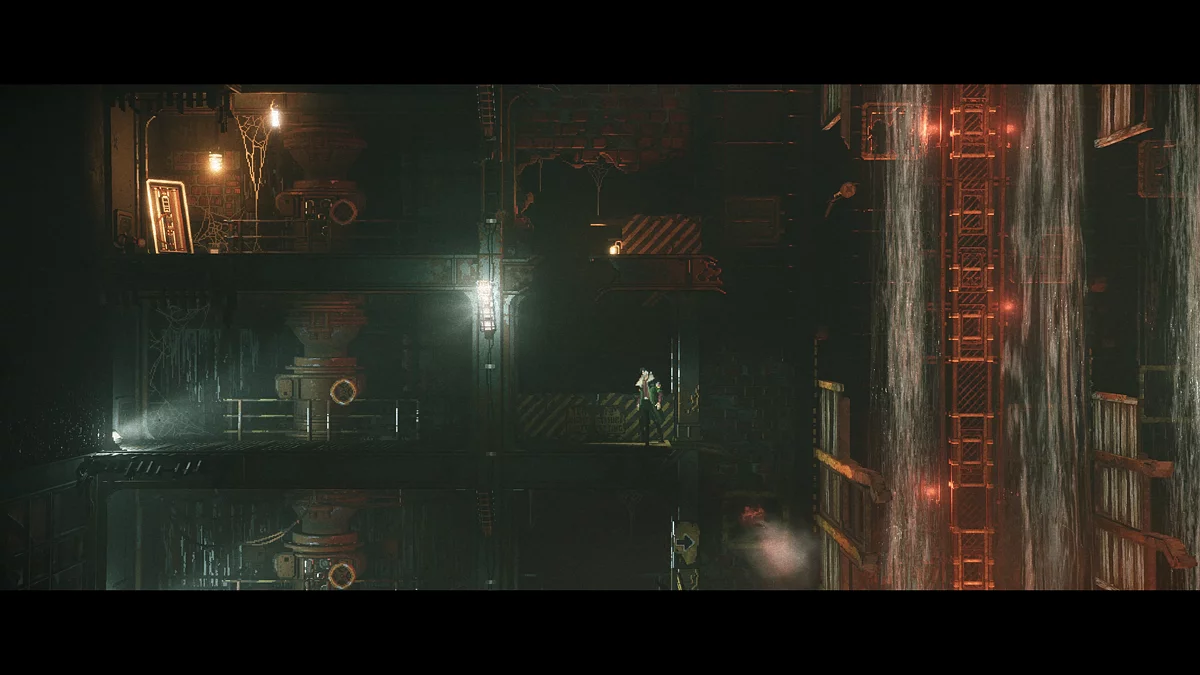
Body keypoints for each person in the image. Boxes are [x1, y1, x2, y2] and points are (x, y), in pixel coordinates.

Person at [635, 368, 664, 446]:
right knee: (644, 421)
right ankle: (645, 440)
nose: (643, 374)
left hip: (652, 403)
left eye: (644, 372)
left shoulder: (654, 381)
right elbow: (640, 395)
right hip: (644, 403)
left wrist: (659, 402)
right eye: (642, 372)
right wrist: (638, 403)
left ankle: (660, 438)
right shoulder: (641, 382)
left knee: (657, 420)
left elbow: (660, 392)